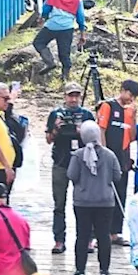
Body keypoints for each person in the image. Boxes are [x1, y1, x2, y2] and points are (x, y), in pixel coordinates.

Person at [46, 83, 96, 254]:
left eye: (76, 95)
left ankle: (87, 239)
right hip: (61, 162)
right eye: (70, 95)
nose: (73, 99)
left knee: (85, 203)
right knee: (59, 203)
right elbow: (48, 139)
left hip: (82, 163)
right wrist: (56, 128)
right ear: (65, 96)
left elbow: (94, 140)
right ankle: (59, 240)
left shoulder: (87, 114)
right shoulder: (55, 114)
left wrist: (82, 131)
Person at [68, 120, 122, 275]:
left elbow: (71, 175)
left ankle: (80, 270)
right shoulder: (109, 155)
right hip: (105, 201)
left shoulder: (78, 155)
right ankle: (104, 270)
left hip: (82, 201)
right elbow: (117, 176)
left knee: (82, 235)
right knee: (104, 235)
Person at [96, 78, 138, 242]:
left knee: (121, 193)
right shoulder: (108, 106)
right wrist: (103, 154)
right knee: (104, 195)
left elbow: (133, 136)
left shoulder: (130, 111)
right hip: (108, 156)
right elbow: (101, 130)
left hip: (124, 158)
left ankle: (115, 232)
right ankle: (100, 232)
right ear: (123, 90)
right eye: (130, 94)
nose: (131, 99)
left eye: (134, 97)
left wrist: (134, 117)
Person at [33, 0, 87, 78]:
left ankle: (49, 61)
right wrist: (82, 34)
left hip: (52, 26)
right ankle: (65, 77)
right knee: (64, 53)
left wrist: (42, 18)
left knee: (38, 42)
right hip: (67, 29)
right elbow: (80, 17)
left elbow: (46, 9)